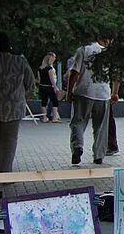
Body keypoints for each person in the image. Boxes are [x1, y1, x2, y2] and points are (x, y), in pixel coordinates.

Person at [0, 34, 37, 173]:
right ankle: (6, 170)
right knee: (10, 139)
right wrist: (22, 98)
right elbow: (31, 84)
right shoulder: (20, 62)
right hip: (15, 106)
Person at [65, 35, 113, 165]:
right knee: (101, 127)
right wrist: (115, 92)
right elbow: (116, 75)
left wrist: (69, 92)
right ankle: (99, 155)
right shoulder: (109, 53)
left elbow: (75, 72)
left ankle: (77, 147)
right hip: (103, 93)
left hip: (84, 91)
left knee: (78, 122)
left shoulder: (83, 50)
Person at [37, 52, 62, 122]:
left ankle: (44, 117)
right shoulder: (50, 69)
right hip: (49, 87)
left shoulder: (40, 68)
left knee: (44, 102)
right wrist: (55, 87)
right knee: (55, 102)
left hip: (42, 86)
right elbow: (52, 80)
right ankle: (54, 118)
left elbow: (39, 80)